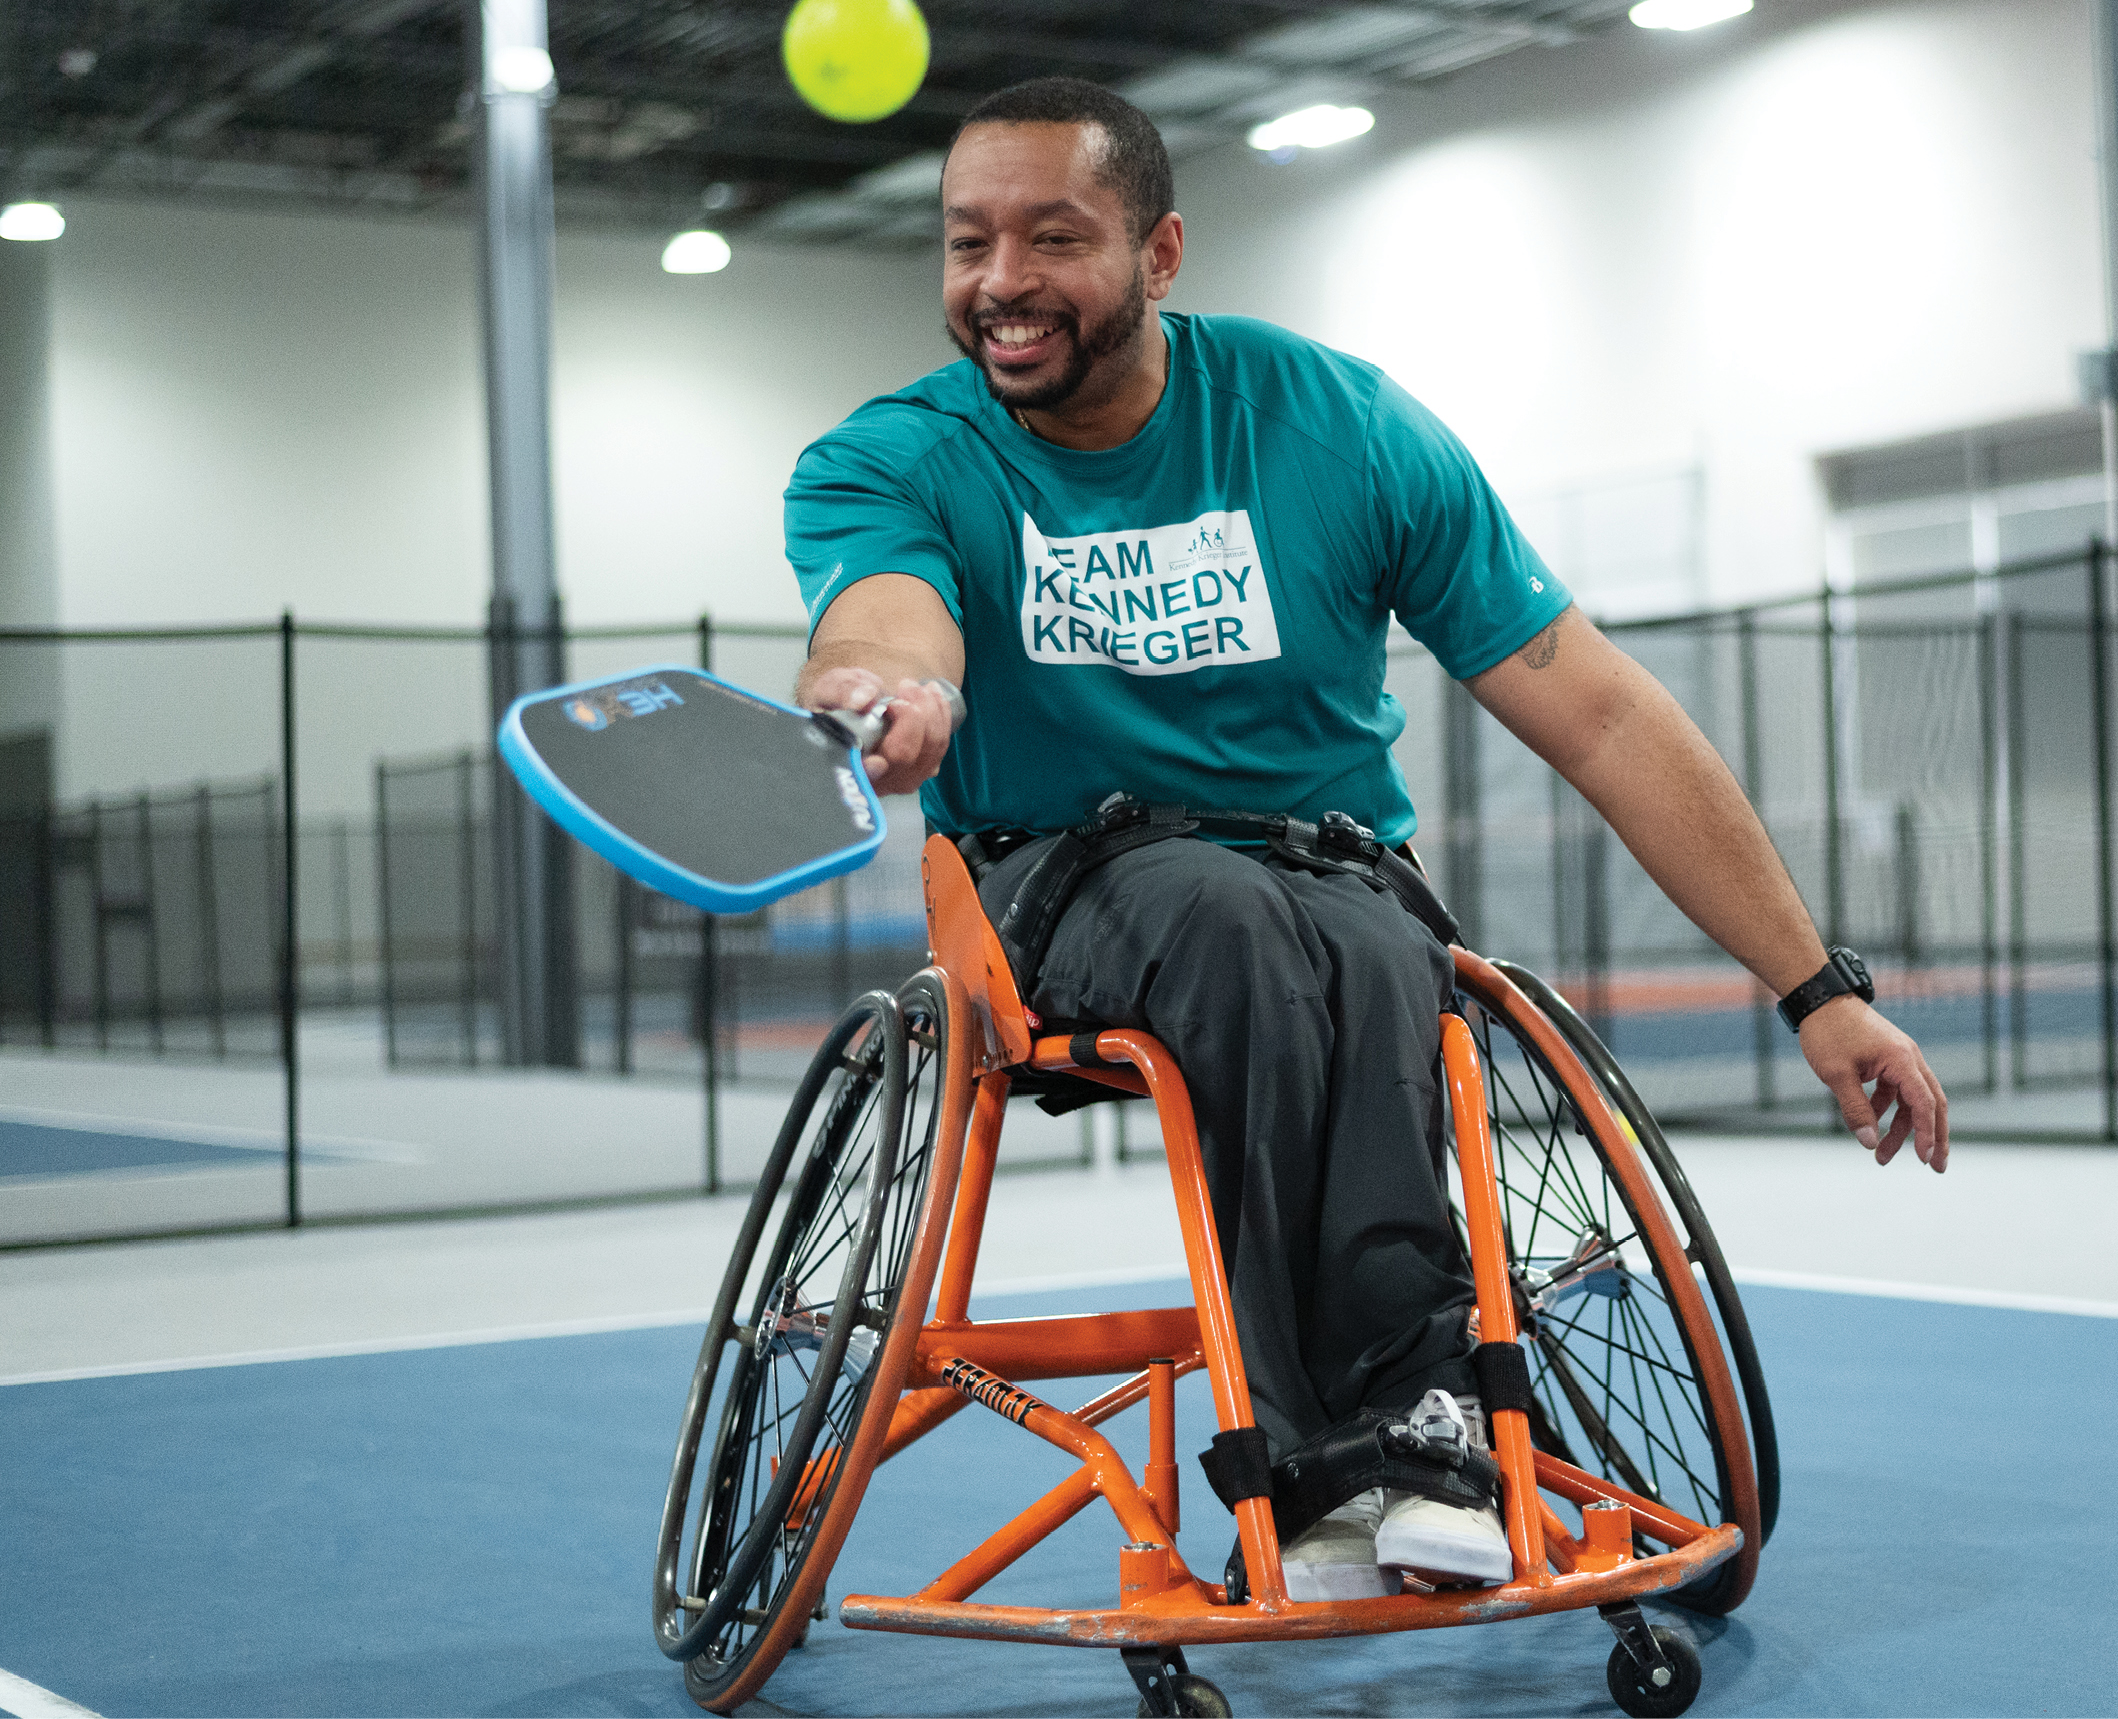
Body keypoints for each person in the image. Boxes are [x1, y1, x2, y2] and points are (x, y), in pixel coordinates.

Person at [786, 78, 1948, 1600]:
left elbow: (1600, 715)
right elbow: (886, 614)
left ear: (1160, 253)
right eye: (967, 244)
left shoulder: (1338, 427)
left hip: (1328, 872)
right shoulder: (893, 457)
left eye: (1053, 239)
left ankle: (1396, 1437)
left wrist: (1816, 988)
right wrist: (896, 686)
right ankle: (1371, 1442)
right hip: (1052, 885)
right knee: (1232, 924)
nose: (1001, 282)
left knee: (1379, 944)